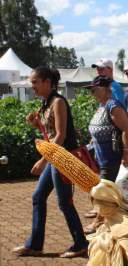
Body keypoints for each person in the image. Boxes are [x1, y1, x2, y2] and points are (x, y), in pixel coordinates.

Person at [13, 67, 88, 258]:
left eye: (35, 82)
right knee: (38, 197)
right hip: (55, 157)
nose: (32, 87)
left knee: (64, 203)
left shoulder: (58, 102)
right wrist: (36, 124)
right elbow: (51, 133)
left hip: (62, 159)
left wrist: (43, 160)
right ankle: (35, 245)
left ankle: (80, 243)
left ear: (47, 82)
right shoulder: (46, 103)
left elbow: (61, 135)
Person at [84, 76, 128, 234]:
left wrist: (126, 153)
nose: (92, 93)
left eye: (94, 90)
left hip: (112, 155)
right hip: (101, 155)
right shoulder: (102, 105)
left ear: (106, 89)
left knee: (103, 191)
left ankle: (99, 221)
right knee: (104, 189)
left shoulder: (113, 106)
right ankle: (108, 219)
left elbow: (127, 129)